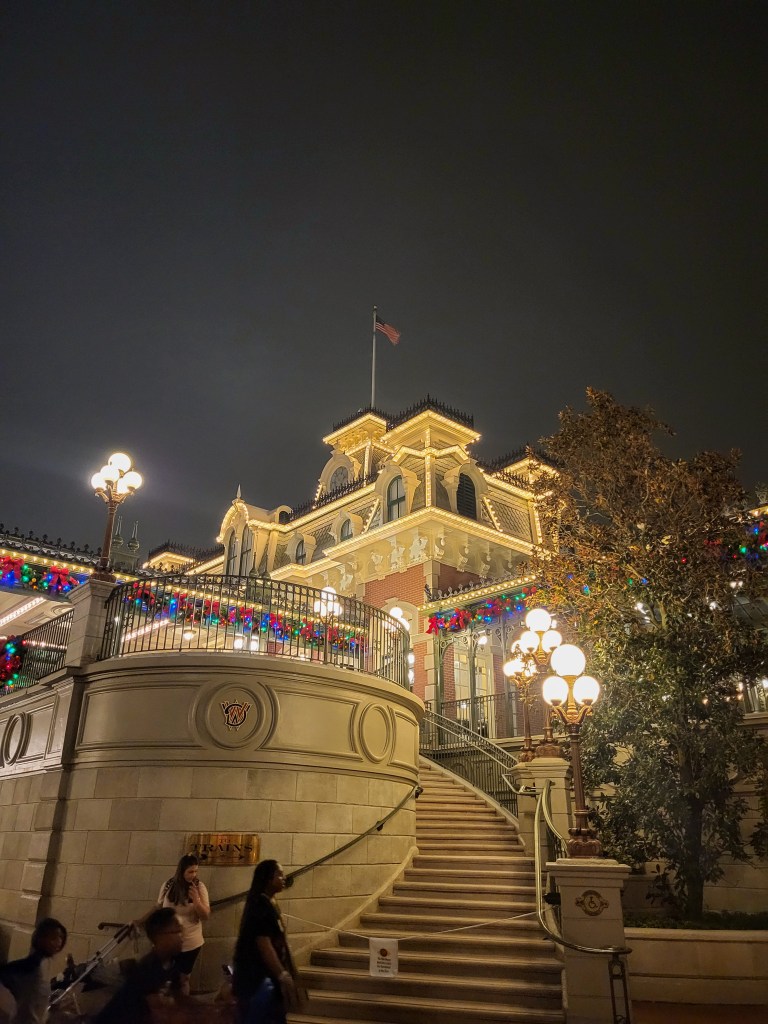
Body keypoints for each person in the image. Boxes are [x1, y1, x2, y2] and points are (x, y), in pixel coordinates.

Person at [232, 860, 298, 1024]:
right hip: (257, 980)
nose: (283, 878)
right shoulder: (259, 905)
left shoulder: (269, 903)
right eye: (279, 874)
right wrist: (281, 974)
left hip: (266, 980)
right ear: (268, 878)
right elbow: (264, 944)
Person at [92, 907, 184, 1024]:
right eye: (177, 931)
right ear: (160, 936)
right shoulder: (147, 969)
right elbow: (157, 1014)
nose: (183, 936)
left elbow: (179, 997)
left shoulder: (172, 963)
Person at [143, 854, 210, 995]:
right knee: (163, 979)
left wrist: (196, 901)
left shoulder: (199, 886)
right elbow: (158, 907)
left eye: (196, 871)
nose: (193, 875)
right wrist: (141, 920)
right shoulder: (168, 885)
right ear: (181, 871)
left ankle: (182, 1010)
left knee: (183, 979)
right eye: (190, 871)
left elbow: (205, 915)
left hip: (190, 942)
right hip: (168, 942)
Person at [0, 917, 67, 1024]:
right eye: (53, 938)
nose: (59, 942)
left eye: (61, 937)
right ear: (41, 938)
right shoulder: (33, 966)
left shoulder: (46, 963)